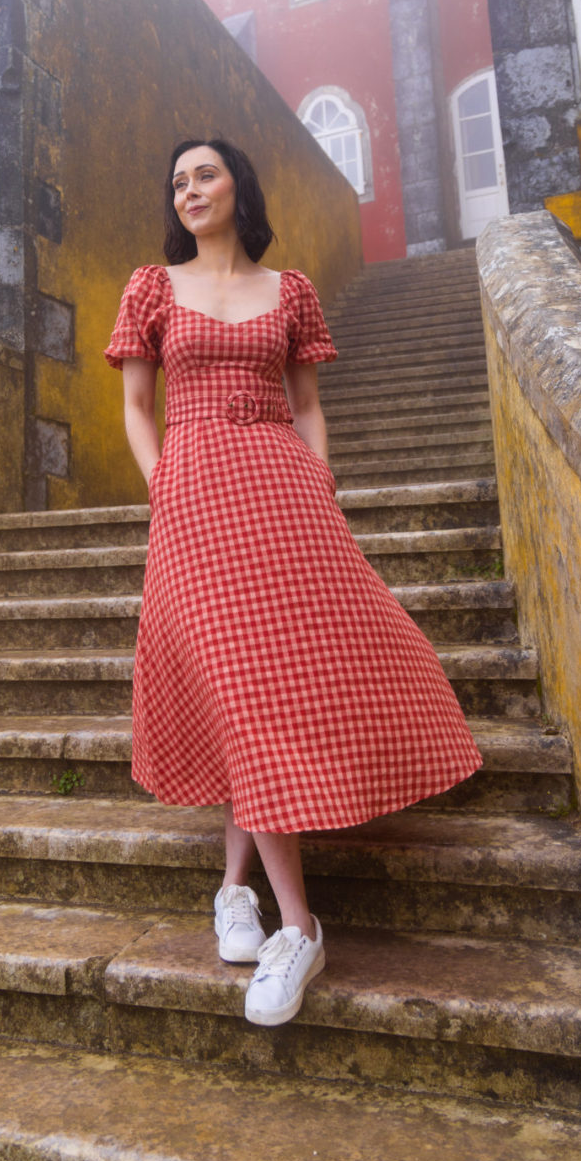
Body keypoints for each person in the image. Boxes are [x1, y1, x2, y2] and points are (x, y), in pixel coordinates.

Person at [104, 138, 483, 1027]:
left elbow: (308, 403)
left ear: (240, 185)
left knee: (271, 686)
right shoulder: (152, 287)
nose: (189, 189)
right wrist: (167, 488)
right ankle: (301, 925)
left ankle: (238, 888)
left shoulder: (294, 291)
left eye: (205, 173)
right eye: (177, 182)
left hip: (284, 493)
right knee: (241, 686)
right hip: (196, 493)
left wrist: (322, 488)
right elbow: (134, 405)